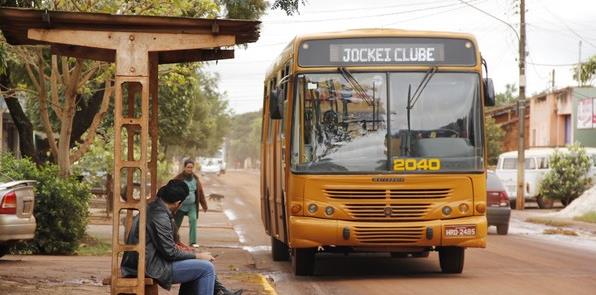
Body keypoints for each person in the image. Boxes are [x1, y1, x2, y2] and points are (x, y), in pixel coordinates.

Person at [121, 179, 216, 294]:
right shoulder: (159, 215)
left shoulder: (154, 207)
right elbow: (170, 252)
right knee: (207, 268)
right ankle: (222, 292)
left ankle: (222, 291)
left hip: (142, 262)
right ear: (178, 203)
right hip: (147, 267)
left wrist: (194, 255)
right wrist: (198, 255)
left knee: (198, 263)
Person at [174, 159, 208, 248]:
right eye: (188, 167)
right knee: (176, 224)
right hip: (180, 206)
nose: (190, 169)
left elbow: (200, 192)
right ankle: (173, 240)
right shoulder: (178, 178)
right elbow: (171, 190)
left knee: (193, 220)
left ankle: (192, 242)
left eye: (191, 167)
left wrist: (204, 205)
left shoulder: (195, 179)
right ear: (184, 167)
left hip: (192, 206)